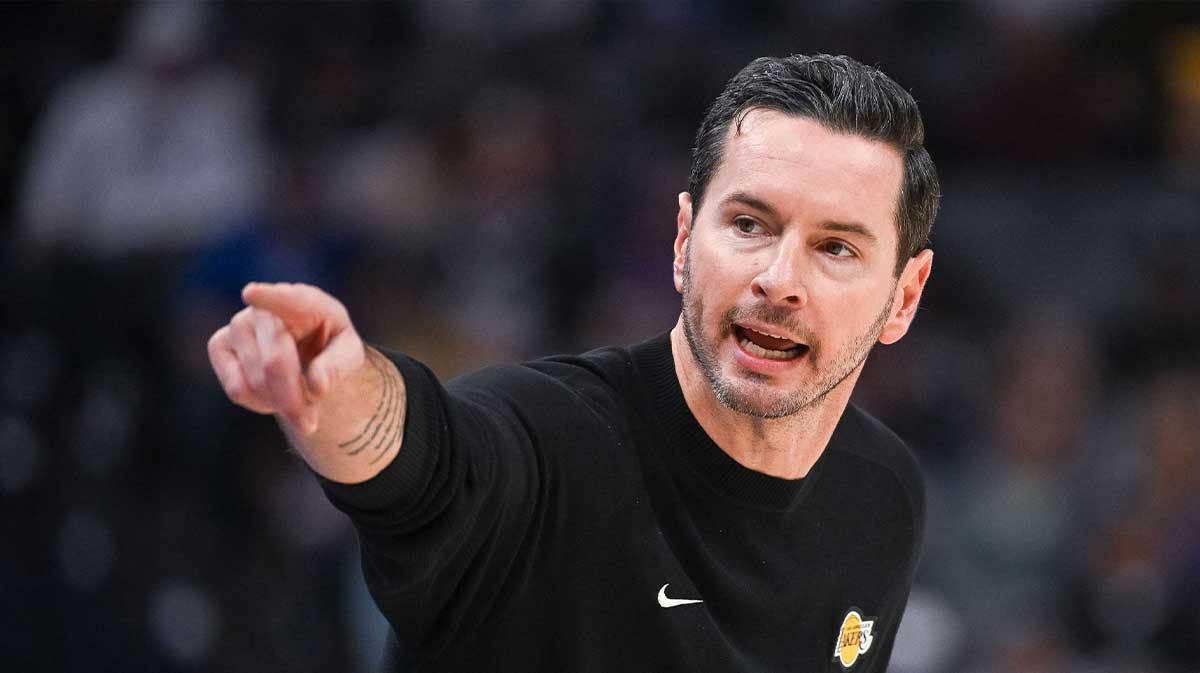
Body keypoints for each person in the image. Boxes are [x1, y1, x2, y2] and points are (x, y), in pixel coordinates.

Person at [208, 53, 938, 672]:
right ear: (684, 242)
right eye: (748, 224)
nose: (778, 279)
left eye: (836, 247)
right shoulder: (549, 437)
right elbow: (427, 461)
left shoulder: (883, 495)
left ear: (903, 298)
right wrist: (340, 389)